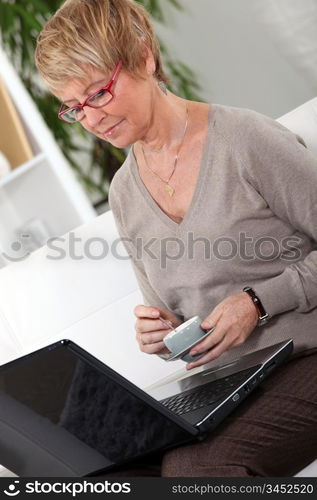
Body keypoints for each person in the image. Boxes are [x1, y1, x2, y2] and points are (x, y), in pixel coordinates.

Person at [35, 0, 317, 476]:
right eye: (74, 108)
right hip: (229, 381)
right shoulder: (124, 193)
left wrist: (258, 301)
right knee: (115, 472)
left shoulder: (245, 140)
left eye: (98, 93)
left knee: (203, 473)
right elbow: (173, 317)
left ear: (144, 56)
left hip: (305, 355)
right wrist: (161, 335)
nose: (92, 120)